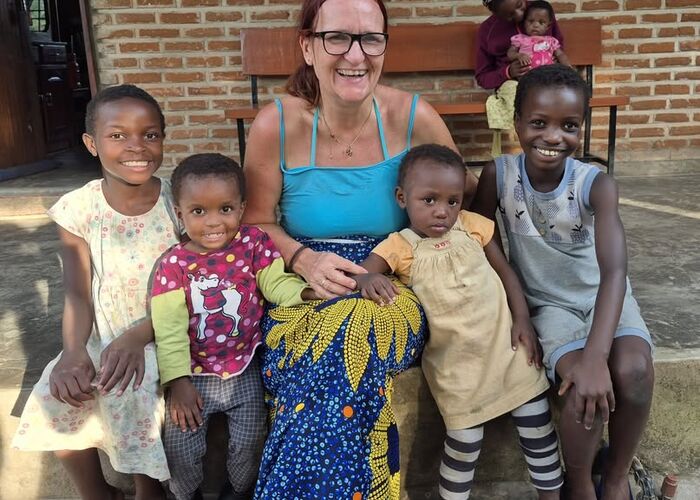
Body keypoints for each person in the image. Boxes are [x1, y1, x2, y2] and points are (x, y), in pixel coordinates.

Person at [242, 0, 478, 497]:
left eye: (371, 38)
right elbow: (256, 222)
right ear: (308, 47)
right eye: (337, 38)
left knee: (354, 325)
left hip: (394, 281)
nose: (356, 55)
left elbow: (463, 194)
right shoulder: (277, 124)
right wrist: (303, 259)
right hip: (303, 282)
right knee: (325, 345)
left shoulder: (412, 117)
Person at [472, 65, 654, 500]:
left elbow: (615, 272)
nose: (553, 137)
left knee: (633, 369)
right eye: (539, 123)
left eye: (569, 126)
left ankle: (615, 477)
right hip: (549, 307)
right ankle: (579, 485)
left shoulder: (596, 184)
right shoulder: (499, 175)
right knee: (580, 387)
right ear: (517, 122)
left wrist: (597, 355)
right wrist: (518, 307)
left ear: (581, 128)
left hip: (603, 297)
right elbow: (479, 235)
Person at [353, 144, 563, 500]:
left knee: (538, 425)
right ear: (402, 198)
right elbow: (361, 273)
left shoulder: (472, 227)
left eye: (453, 201)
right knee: (464, 442)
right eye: (429, 200)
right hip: (456, 366)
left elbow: (506, 273)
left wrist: (523, 319)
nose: (442, 211)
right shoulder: (400, 246)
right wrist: (367, 279)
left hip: (507, 350)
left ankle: (551, 495)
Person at [12, 84, 179, 499]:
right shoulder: (79, 208)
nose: (136, 146)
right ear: (91, 143)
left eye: (150, 134)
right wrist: (72, 353)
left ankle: (148, 490)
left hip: (165, 330)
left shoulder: (177, 202)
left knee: (132, 388)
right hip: (101, 333)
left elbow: (197, 285)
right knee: (55, 392)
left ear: (163, 138)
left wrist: (139, 336)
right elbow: (77, 292)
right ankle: (97, 492)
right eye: (117, 135)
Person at [151, 153, 316, 500]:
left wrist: (304, 292)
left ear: (241, 208)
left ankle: (240, 492)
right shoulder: (173, 265)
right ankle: (184, 495)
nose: (214, 222)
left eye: (225, 209)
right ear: (180, 214)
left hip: (244, 369)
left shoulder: (254, 243)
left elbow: (275, 283)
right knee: (180, 446)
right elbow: (168, 329)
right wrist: (177, 382)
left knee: (251, 441)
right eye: (199, 211)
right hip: (193, 375)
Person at [476, 0, 564, 90]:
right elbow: (482, 78)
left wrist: (556, 63)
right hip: (513, 86)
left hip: (548, 80)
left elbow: (559, 50)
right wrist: (508, 72)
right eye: (509, 15)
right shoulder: (488, 30)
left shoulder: (542, 11)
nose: (519, 15)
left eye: (519, 5)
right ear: (496, 13)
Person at [508, 1, 571, 70]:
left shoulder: (551, 41)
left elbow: (560, 54)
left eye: (541, 22)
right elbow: (510, 53)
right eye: (531, 21)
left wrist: (568, 67)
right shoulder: (520, 39)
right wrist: (519, 56)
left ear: (548, 26)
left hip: (548, 73)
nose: (535, 25)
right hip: (528, 73)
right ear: (524, 23)